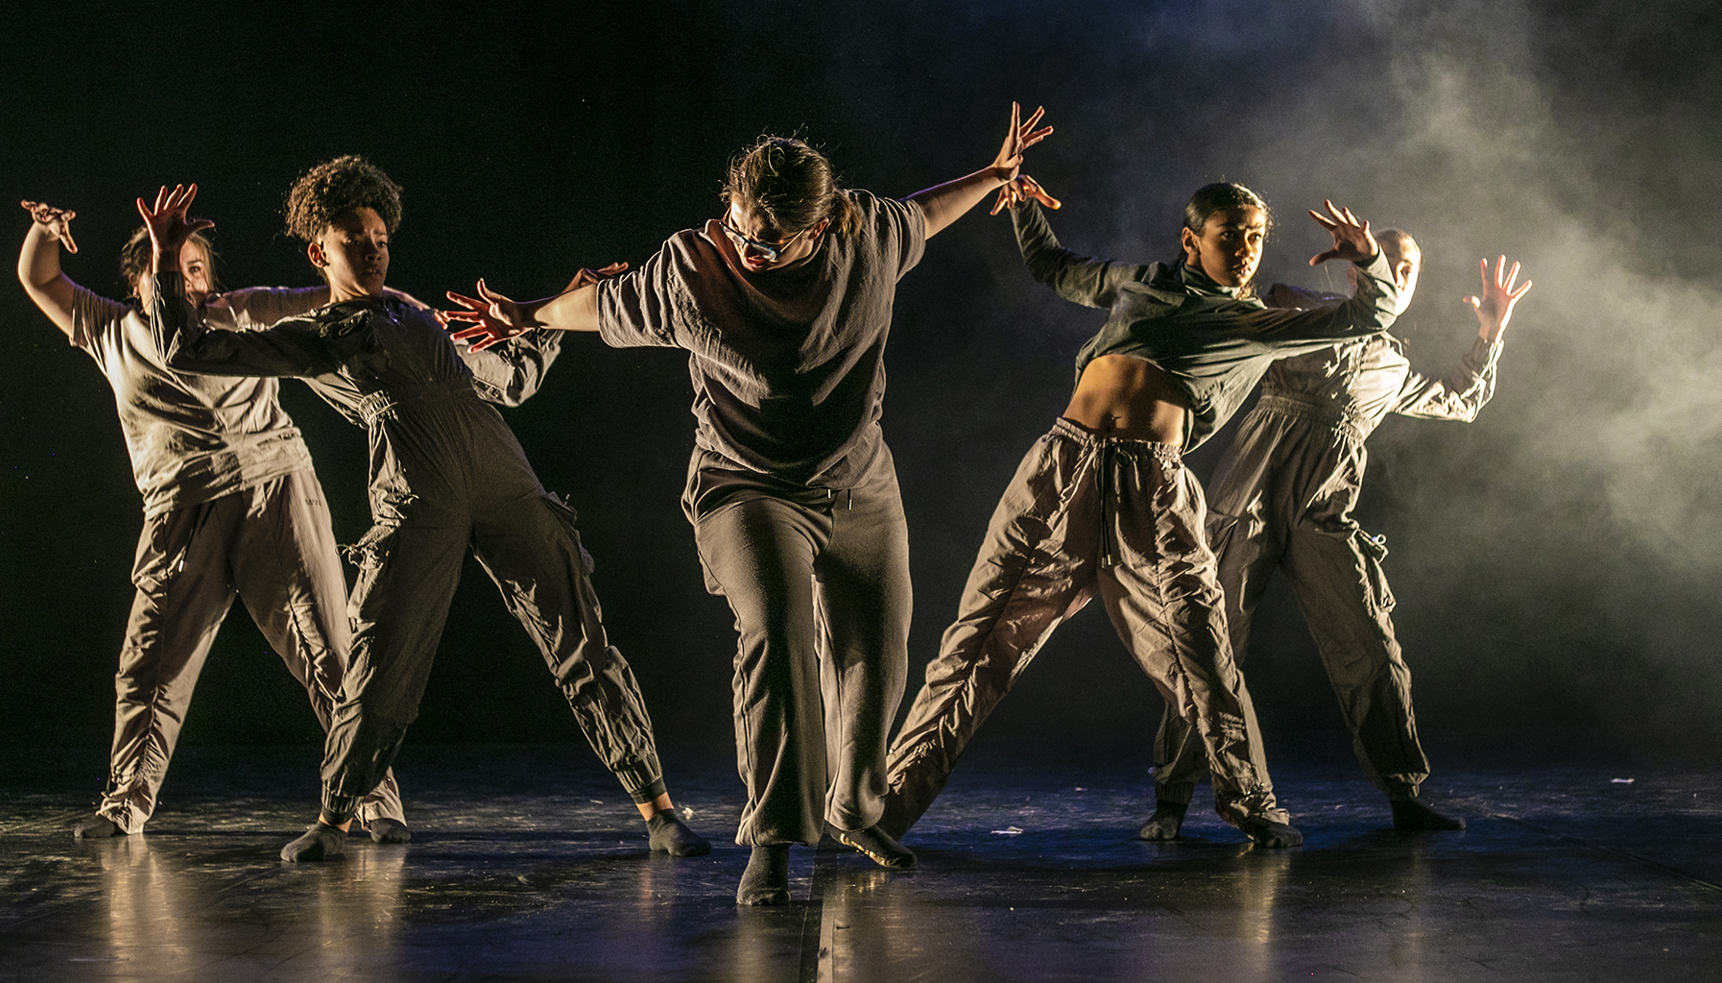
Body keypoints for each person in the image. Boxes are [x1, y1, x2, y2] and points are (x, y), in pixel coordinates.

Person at [443, 105, 1054, 905]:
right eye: (737, 228)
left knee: (879, 647)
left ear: (826, 223)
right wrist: (529, 314)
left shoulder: (868, 234)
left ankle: (854, 808)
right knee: (776, 630)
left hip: (860, 480)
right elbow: (603, 305)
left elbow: (926, 214)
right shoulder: (693, 268)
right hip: (745, 484)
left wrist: (993, 175)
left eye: (768, 242)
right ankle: (772, 838)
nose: (746, 250)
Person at [138, 162, 709, 864]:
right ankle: (336, 816)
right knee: (381, 665)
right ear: (321, 252)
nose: (374, 248)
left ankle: (658, 809)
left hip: (505, 482)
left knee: (582, 644)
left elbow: (515, 378)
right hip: (417, 497)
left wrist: (560, 310)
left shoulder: (421, 318)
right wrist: (167, 264)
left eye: (380, 235)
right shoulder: (321, 332)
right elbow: (188, 348)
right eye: (355, 238)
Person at [880, 178, 1405, 849]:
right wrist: (1021, 203)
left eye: (1254, 237)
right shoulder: (1142, 282)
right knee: (981, 642)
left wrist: (1368, 260)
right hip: (1060, 471)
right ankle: (884, 810)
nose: (1245, 250)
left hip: (1154, 491)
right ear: (1192, 240)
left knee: (1200, 652)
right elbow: (1055, 267)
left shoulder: (1256, 323)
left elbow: (1367, 318)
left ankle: (1252, 803)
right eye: (1229, 236)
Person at [15, 195, 406, 842]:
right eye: (172, 266)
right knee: (150, 665)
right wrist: (43, 229)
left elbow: (328, 299)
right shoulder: (111, 331)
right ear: (141, 281)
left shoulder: (240, 313)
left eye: (198, 267)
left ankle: (371, 796)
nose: (189, 278)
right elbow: (40, 277)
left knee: (330, 650)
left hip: (274, 492)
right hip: (177, 512)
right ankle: (125, 803)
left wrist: (375, 280)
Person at [1141, 235, 1532, 839]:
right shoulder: (1299, 315)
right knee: (1208, 644)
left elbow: (1464, 400)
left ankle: (1404, 797)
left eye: (1409, 269)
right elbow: (1233, 318)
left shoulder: (1393, 368)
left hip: (1322, 512)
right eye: (1387, 265)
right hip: (1249, 498)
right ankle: (1172, 799)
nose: (1399, 277)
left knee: (1371, 647)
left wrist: (1490, 332)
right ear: (1357, 274)